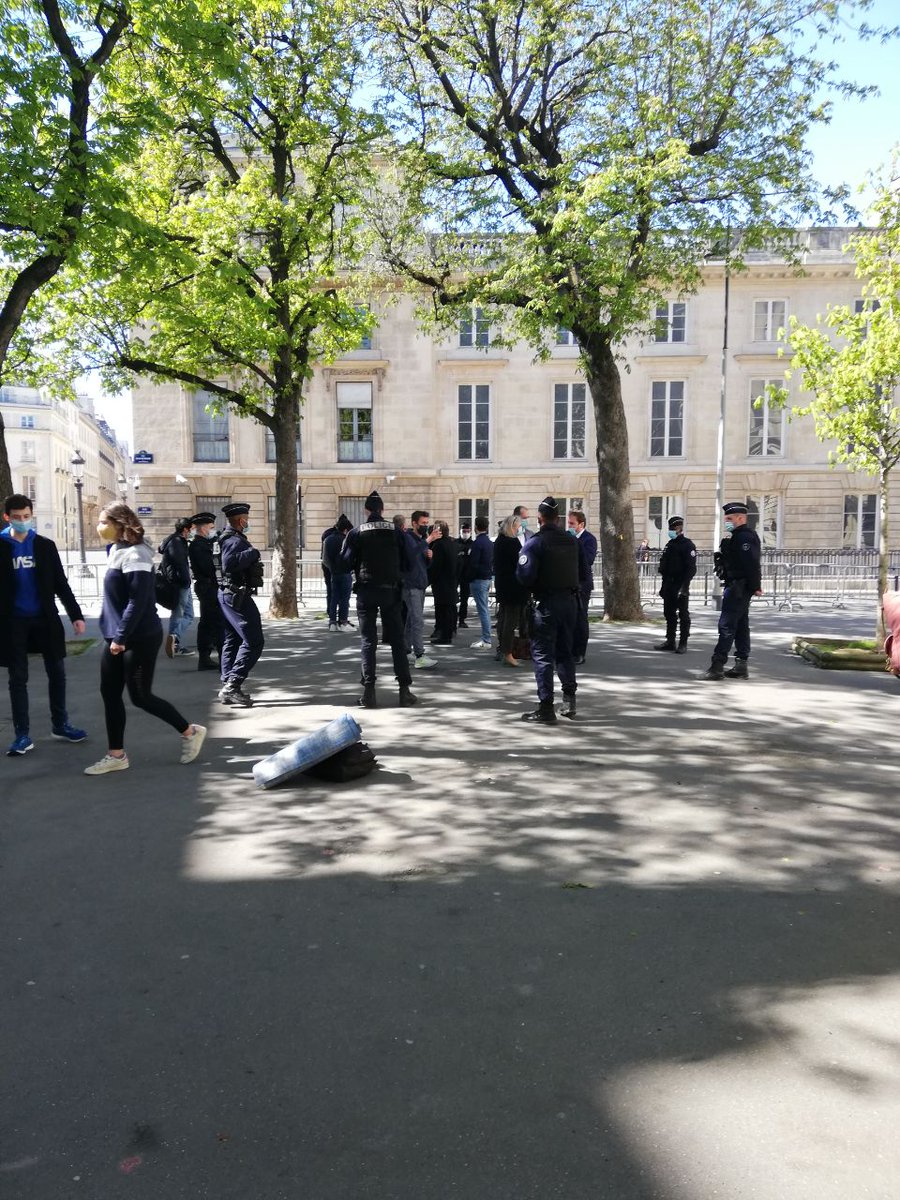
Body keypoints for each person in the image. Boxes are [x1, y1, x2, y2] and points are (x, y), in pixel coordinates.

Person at [84, 503, 206, 775]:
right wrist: (113, 634)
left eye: (104, 521)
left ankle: (190, 731)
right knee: (110, 693)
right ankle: (116, 755)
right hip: (116, 635)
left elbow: (138, 602)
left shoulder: (137, 554)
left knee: (141, 697)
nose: (99, 526)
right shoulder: (117, 550)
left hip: (137, 636)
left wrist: (121, 636)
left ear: (120, 523)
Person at [0, 493, 87, 756]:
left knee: (57, 673)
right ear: (7, 517)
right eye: (17, 518)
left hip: (44, 619)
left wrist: (76, 615)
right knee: (18, 678)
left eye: (27, 517)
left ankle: (60, 724)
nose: (23, 522)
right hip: (13, 621)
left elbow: (61, 583)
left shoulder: (44, 546)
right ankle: (22, 735)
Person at [341, 490, 417, 708]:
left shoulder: (356, 533)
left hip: (366, 591)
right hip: (391, 592)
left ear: (366, 510)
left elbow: (344, 563)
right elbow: (410, 563)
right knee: (397, 641)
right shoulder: (397, 532)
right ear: (382, 510)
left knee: (368, 642)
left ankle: (369, 692)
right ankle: (404, 691)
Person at [515, 496, 582, 723]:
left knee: (543, 656)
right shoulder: (572, 541)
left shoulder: (535, 543)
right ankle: (569, 701)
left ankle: (546, 707)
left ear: (539, 518)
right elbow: (583, 572)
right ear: (558, 518)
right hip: (570, 603)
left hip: (546, 604)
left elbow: (525, 577)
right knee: (565, 653)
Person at [702, 502, 762, 680]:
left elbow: (751, 564)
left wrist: (755, 586)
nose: (726, 522)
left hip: (738, 587)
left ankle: (717, 666)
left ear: (741, 518)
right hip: (737, 585)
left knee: (726, 625)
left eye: (729, 518)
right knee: (741, 625)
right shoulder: (736, 537)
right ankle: (741, 665)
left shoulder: (744, 537)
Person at [217, 501, 265, 707]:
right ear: (241, 520)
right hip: (237, 596)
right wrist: (252, 553)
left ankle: (227, 681)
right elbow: (229, 564)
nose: (248, 522)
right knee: (254, 641)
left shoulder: (223, 537)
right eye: (246, 519)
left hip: (228, 595)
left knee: (232, 639)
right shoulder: (234, 541)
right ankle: (232, 685)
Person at [654, 515, 697, 654]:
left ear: (679, 528)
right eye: (670, 528)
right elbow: (665, 568)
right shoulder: (669, 545)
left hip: (680, 583)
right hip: (669, 583)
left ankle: (683, 642)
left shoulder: (687, 545)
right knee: (669, 613)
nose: (671, 530)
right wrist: (663, 586)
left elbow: (691, 569)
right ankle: (670, 640)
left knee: (683, 614)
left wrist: (684, 588)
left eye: (673, 528)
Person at [188, 512, 225, 672]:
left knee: (208, 623)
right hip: (207, 587)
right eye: (211, 527)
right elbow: (208, 568)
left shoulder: (204, 544)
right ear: (203, 529)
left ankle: (206, 658)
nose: (213, 530)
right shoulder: (198, 545)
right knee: (215, 623)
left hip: (208, 587)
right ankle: (221, 659)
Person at [402, 510, 439, 670]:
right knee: (417, 620)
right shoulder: (408, 538)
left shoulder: (420, 539)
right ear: (414, 523)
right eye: (423, 523)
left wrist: (429, 557)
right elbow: (410, 555)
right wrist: (428, 541)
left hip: (420, 583)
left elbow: (421, 563)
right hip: (411, 585)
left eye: (426, 523)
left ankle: (406, 650)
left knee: (412, 619)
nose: (426, 526)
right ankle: (419, 655)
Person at [493, 514, 529, 667]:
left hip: (503, 584)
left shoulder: (499, 541)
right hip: (513, 586)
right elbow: (521, 562)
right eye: (517, 527)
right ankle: (508, 652)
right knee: (510, 620)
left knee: (504, 617)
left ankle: (502, 649)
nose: (518, 529)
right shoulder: (511, 542)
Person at [160, 518, 194, 657]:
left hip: (182, 583)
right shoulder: (177, 542)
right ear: (185, 529)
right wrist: (186, 582)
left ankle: (174, 639)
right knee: (179, 614)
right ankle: (174, 642)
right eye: (190, 529)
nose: (191, 532)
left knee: (189, 614)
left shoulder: (174, 541)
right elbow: (180, 565)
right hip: (181, 584)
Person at [567, 509, 598, 664]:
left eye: (572, 523)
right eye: (569, 523)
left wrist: (576, 542)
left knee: (580, 618)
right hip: (569, 582)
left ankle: (580, 652)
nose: (569, 526)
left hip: (582, 584)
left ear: (581, 524)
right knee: (570, 618)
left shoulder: (588, 539)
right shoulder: (568, 538)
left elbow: (588, 559)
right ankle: (570, 649)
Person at [427, 520, 459, 644]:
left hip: (442, 582)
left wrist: (428, 579)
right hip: (451, 580)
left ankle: (445, 636)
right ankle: (449, 632)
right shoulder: (451, 543)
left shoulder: (438, 545)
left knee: (443, 609)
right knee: (449, 609)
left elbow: (436, 566)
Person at [322, 514, 354, 631]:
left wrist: (332, 569)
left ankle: (332, 623)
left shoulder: (327, 539)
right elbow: (351, 557)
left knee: (333, 597)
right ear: (345, 530)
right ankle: (343, 622)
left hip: (334, 573)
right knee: (345, 598)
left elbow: (325, 559)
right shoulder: (347, 540)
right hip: (345, 572)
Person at [468, 515, 494, 648]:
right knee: (484, 609)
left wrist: (469, 577)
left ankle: (486, 639)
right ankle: (486, 637)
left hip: (478, 579)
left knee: (483, 609)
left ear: (475, 527)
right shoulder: (489, 542)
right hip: (486, 578)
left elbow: (473, 563)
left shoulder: (477, 543)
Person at [456, 522, 473, 628]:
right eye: (464, 531)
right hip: (455, 573)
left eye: (467, 531)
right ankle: (452, 618)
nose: (465, 533)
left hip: (466, 575)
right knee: (452, 598)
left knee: (464, 598)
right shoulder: (455, 543)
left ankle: (462, 619)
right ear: (460, 531)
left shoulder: (473, 543)